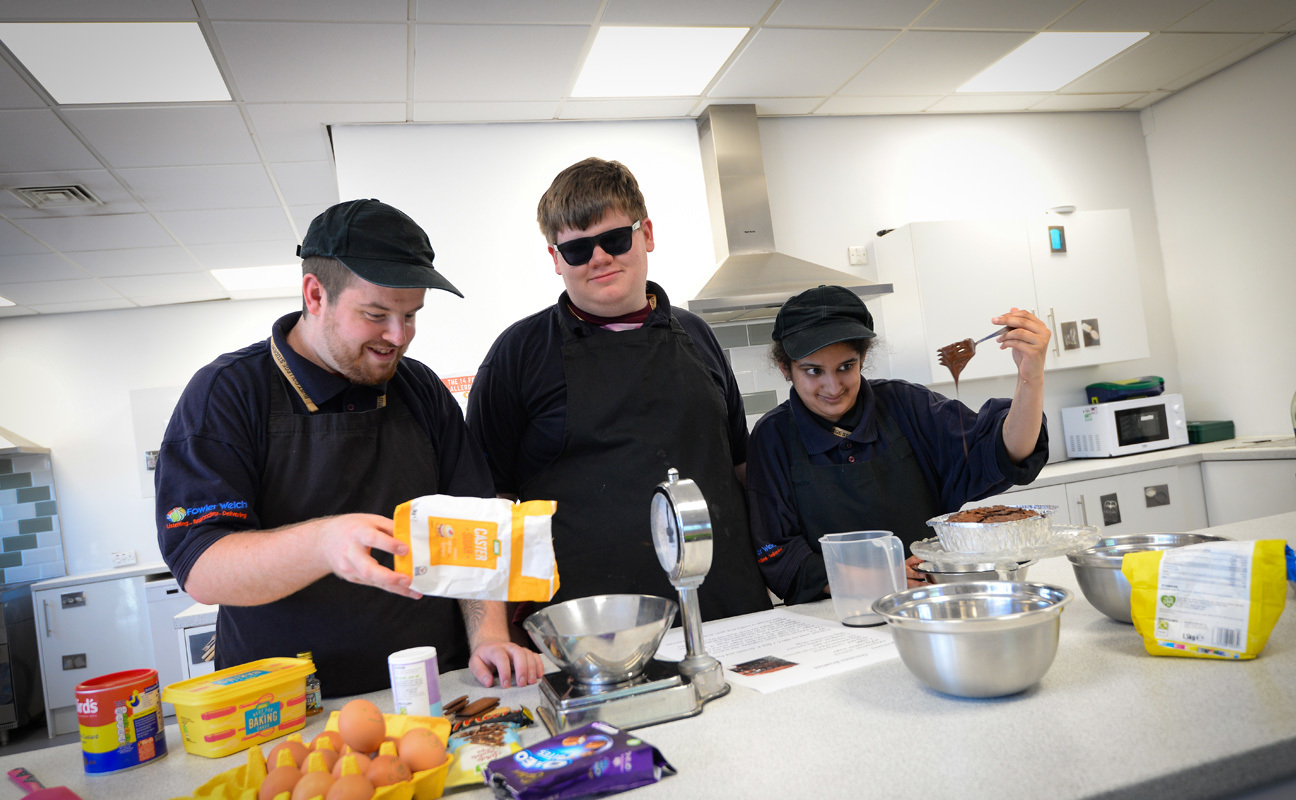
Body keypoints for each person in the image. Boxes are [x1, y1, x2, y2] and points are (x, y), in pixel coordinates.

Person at [155, 199, 542, 696]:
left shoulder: (420, 389)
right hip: (286, 707)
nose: (398, 337)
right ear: (315, 295)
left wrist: (488, 638)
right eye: (376, 314)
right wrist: (323, 544)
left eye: (411, 315)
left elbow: (472, 529)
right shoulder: (227, 394)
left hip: (435, 690)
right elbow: (203, 569)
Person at [467, 158, 772, 622]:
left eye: (614, 239)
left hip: (728, 609)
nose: (599, 258)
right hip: (591, 628)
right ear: (555, 259)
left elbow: (740, 468)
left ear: (645, 233)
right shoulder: (518, 354)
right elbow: (489, 505)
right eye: (576, 249)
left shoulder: (698, 336)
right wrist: (494, 629)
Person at [746, 285, 1051, 604]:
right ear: (785, 368)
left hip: (927, 605)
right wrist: (880, 578)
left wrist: (1031, 377)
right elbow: (777, 554)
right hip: (834, 617)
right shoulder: (773, 437)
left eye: (846, 367)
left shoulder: (906, 405)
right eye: (813, 371)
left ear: (863, 358)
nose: (833, 387)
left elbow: (1004, 453)